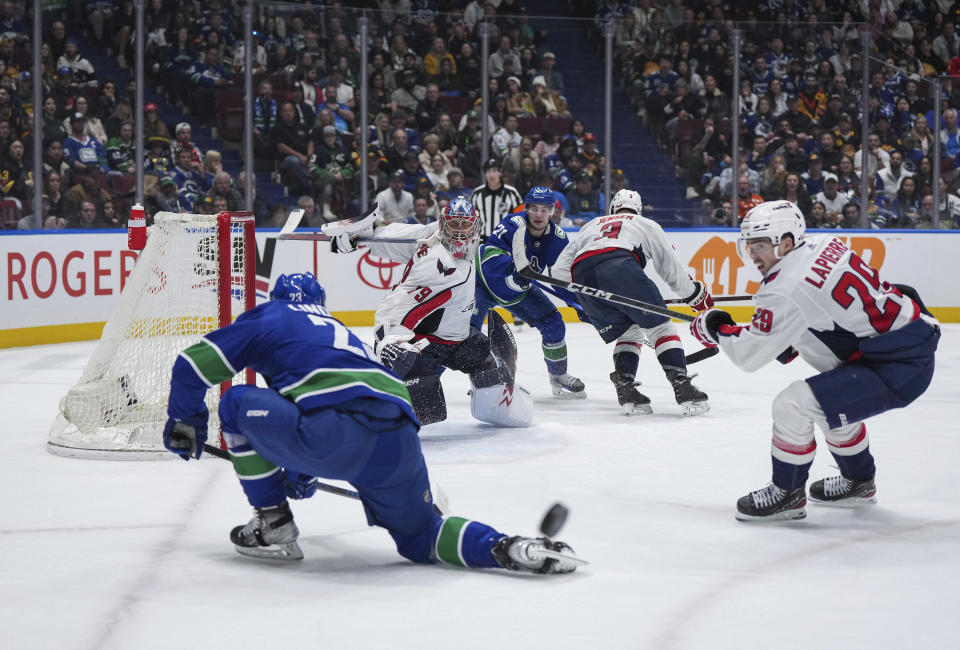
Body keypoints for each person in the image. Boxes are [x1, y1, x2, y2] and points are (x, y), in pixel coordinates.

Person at [163, 272, 579, 573]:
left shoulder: (270, 316)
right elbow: (324, 398)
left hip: (333, 431)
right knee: (422, 537)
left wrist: (186, 422)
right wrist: (301, 471)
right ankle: (510, 548)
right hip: (399, 438)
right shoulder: (339, 331)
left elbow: (191, 365)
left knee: (235, 403)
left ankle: (272, 523)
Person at [690, 201, 940, 521]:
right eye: (749, 245)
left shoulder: (784, 288)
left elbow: (748, 355)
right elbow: (819, 311)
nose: (752, 254)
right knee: (828, 401)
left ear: (787, 242)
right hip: (906, 342)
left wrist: (715, 327)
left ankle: (788, 492)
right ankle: (859, 482)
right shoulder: (824, 244)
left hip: (898, 367)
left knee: (792, 404)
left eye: (761, 245)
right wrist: (785, 336)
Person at [330, 200, 534, 429]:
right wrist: (389, 340)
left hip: (459, 338)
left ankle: (495, 407)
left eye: (464, 225)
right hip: (428, 344)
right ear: (444, 225)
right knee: (422, 399)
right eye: (453, 224)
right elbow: (398, 303)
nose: (458, 232)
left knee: (488, 363)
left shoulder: (432, 235)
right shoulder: (440, 268)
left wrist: (366, 237)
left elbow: (398, 235)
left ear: (475, 227)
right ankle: (374, 410)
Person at [552, 189, 713, 415]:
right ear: (638, 209)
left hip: (583, 275)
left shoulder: (592, 224)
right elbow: (670, 267)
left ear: (613, 208)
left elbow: (559, 272)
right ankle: (682, 386)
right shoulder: (645, 223)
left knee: (630, 332)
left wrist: (579, 301)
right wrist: (695, 295)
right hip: (620, 265)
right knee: (661, 327)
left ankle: (626, 389)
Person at [472, 185, 585, 398]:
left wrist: (578, 303)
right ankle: (477, 379)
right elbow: (489, 258)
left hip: (519, 291)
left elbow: (562, 275)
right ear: (526, 208)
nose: (539, 215)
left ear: (552, 212)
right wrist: (512, 274)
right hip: (483, 284)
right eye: (534, 208)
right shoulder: (513, 224)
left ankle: (558, 375)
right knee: (467, 336)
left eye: (545, 210)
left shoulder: (558, 238)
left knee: (553, 321)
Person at [471, 157, 523, 237]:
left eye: (494, 171)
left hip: (505, 240)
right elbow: (471, 219)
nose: (491, 175)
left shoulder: (512, 193)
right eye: (488, 171)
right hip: (482, 240)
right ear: (485, 174)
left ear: (500, 173)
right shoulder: (477, 194)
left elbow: (521, 217)